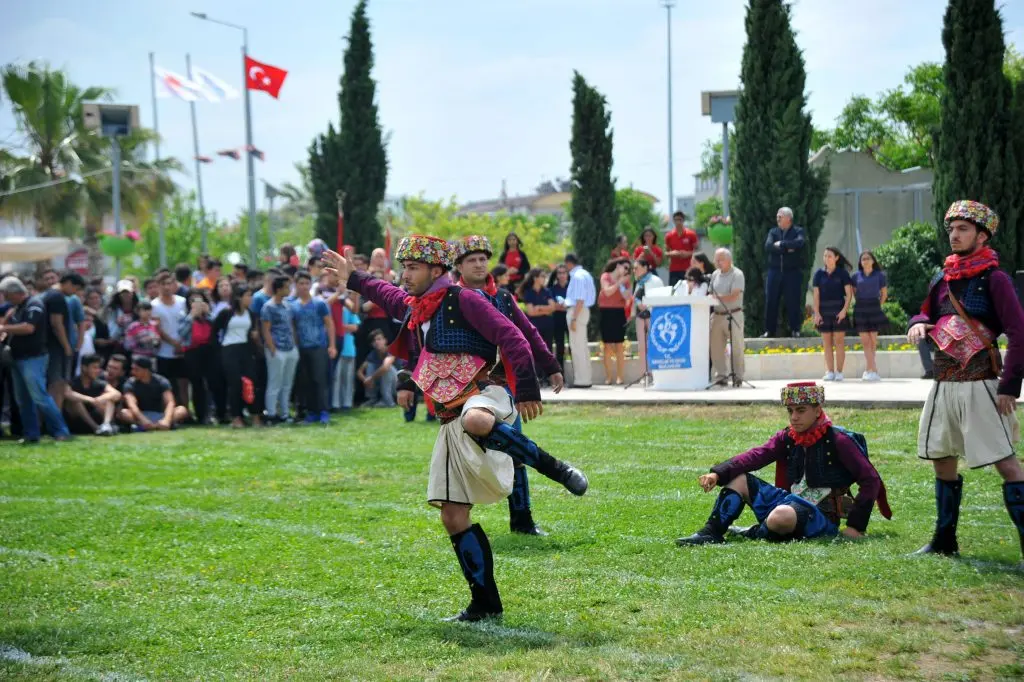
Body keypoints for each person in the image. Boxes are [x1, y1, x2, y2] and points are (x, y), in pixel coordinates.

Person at [323, 238, 587, 622]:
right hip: (448, 416)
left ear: (436, 270)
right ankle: (485, 603)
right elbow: (386, 293)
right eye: (404, 267)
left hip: (486, 395)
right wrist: (355, 279)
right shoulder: (416, 307)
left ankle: (557, 469)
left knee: (476, 419)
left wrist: (529, 388)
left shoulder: (465, 299)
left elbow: (513, 336)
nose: (405, 275)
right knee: (452, 515)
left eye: (413, 268)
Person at [907, 200, 1024, 563]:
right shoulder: (943, 277)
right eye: (951, 229)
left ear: (982, 234)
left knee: (1006, 464)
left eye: (963, 229)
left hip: (982, 385)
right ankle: (944, 541)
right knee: (942, 458)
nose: (954, 236)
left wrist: (1008, 387)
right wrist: (917, 321)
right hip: (943, 384)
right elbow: (925, 310)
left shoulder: (996, 279)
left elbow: (1019, 333)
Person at [676, 382, 890, 545]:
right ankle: (711, 532)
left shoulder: (839, 440)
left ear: (817, 410)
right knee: (739, 479)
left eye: (801, 410)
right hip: (787, 501)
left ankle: (754, 532)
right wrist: (718, 474)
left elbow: (871, 480)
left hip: (820, 516)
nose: (794, 417)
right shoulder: (788, 437)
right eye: (790, 411)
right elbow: (755, 456)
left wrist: (855, 526)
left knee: (780, 516)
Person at [455, 235, 565, 536]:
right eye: (471, 260)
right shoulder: (452, 302)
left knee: (516, 452)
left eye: (482, 259)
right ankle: (458, 522)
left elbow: (527, 333)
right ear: (459, 266)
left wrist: (551, 366)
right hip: (465, 393)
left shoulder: (503, 298)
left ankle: (522, 520)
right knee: (464, 459)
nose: (478, 264)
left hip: (503, 391)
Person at [0, 276, 71, 443]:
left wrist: (4, 327)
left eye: (7, 294)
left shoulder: (34, 304)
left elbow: (29, 327)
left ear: (16, 292)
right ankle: (31, 434)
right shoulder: (16, 308)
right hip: (17, 358)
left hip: (34, 358)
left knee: (39, 395)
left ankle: (61, 431)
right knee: (23, 399)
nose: (6, 298)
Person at [213, 282, 263, 428]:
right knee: (234, 384)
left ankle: (255, 415)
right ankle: (236, 416)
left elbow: (252, 332)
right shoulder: (227, 313)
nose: (250, 298)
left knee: (251, 382)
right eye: (248, 296)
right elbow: (215, 331)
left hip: (246, 349)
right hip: (229, 349)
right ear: (239, 297)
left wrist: (254, 337)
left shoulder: (251, 314)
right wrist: (219, 350)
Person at [289, 270, 336, 424]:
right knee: (305, 381)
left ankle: (323, 411)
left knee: (319, 380)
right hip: (301, 348)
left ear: (311, 284)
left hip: (319, 346)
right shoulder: (293, 306)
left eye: (306, 283)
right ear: (295, 285)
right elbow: (293, 328)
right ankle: (311, 412)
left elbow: (329, 324)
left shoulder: (320, 303)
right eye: (301, 283)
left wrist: (332, 345)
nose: (304, 286)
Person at [41, 271, 83, 412]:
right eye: (75, 289)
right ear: (69, 283)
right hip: (56, 347)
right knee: (57, 384)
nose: (75, 293)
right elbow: (56, 324)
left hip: (48, 346)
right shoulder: (57, 297)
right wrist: (66, 346)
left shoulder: (46, 294)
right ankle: (55, 421)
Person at [763, 206, 808, 338]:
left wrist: (781, 244)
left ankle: (795, 330)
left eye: (780, 216)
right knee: (771, 301)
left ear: (788, 218)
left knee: (793, 301)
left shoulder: (798, 231)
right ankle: (769, 331)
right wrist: (787, 248)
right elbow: (768, 246)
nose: (777, 219)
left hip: (792, 273)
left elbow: (799, 243)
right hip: (774, 271)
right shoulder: (773, 232)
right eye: (777, 216)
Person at [261, 275, 300, 423]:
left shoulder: (288, 305)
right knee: (274, 383)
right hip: (277, 350)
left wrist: (295, 345)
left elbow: (292, 327)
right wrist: (272, 349)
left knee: (287, 384)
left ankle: (284, 414)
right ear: (278, 289)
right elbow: (266, 330)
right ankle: (271, 414)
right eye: (286, 287)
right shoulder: (268, 307)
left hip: (290, 349)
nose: (289, 290)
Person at [813, 247, 854, 382]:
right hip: (824, 312)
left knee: (839, 342)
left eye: (829, 256)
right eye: (825, 256)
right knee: (826, 343)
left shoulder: (843, 273)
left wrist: (844, 311)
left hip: (839, 311)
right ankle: (829, 371)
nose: (826, 258)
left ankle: (839, 372)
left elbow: (849, 295)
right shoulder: (818, 274)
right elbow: (816, 295)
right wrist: (817, 313)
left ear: (836, 258)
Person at [118, 356, 189, 430]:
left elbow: (170, 402)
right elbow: (132, 405)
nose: (132, 372)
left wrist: (166, 420)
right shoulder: (130, 383)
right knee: (124, 413)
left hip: (161, 414)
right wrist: (143, 420)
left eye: (136, 370)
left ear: (146, 370)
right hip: (140, 415)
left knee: (182, 410)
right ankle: (149, 426)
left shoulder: (161, 381)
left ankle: (162, 425)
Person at [709, 248, 746, 388]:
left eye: (721, 260)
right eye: (716, 260)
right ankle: (721, 376)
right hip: (717, 315)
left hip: (733, 314)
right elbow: (711, 293)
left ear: (729, 260)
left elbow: (734, 295)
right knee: (716, 348)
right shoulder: (714, 275)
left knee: (737, 347)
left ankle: (738, 376)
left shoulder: (737, 274)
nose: (717, 263)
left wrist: (716, 297)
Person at [151, 273, 189, 409]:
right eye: (163, 284)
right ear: (158, 286)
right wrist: (174, 343)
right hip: (164, 351)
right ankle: (167, 411)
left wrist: (181, 343)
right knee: (165, 384)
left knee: (183, 382)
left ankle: (186, 412)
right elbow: (157, 328)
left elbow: (188, 324)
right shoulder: (154, 305)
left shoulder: (182, 302)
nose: (166, 287)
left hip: (183, 349)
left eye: (169, 283)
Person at [64, 353, 121, 436]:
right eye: (94, 367)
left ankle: (106, 425)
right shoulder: (73, 382)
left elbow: (117, 394)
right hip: (76, 420)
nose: (98, 371)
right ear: (84, 368)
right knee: (75, 401)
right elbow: (67, 393)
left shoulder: (98, 383)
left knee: (109, 399)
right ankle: (96, 428)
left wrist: (100, 399)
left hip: (95, 415)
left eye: (98, 368)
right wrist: (90, 400)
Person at [853, 251, 888, 382]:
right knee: (865, 341)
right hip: (861, 308)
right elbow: (854, 293)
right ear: (860, 262)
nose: (865, 261)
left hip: (874, 307)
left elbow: (884, 294)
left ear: (873, 261)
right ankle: (874, 370)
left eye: (868, 258)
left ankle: (869, 370)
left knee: (873, 341)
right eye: (863, 259)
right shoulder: (856, 276)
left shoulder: (880, 275)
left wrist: (877, 306)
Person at [564, 253, 597, 388]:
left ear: (569, 263)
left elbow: (580, 299)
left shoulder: (577, 276)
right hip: (582, 311)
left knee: (577, 347)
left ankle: (582, 380)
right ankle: (585, 378)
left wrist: (574, 318)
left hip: (577, 311)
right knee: (581, 346)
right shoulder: (585, 274)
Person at [518, 268, 557, 377]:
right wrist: (545, 309)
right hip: (535, 326)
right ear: (535, 278)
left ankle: (547, 376)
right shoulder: (529, 292)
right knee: (536, 350)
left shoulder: (547, 291)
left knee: (548, 350)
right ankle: (537, 376)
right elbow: (531, 312)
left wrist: (539, 308)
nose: (544, 279)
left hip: (548, 325)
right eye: (542, 276)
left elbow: (553, 307)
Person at [598, 258, 631, 385]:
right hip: (606, 312)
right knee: (607, 345)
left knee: (619, 345)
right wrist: (618, 282)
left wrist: (624, 285)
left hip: (619, 312)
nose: (627, 271)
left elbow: (628, 297)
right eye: (625, 267)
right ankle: (608, 376)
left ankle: (620, 376)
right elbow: (607, 292)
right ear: (618, 266)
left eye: (629, 269)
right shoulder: (606, 276)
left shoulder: (626, 281)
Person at [632, 256, 664, 377]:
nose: (634, 271)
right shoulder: (638, 282)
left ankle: (656, 373)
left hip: (653, 316)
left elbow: (660, 298)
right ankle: (644, 373)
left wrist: (646, 305)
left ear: (645, 268)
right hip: (641, 317)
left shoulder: (655, 281)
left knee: (654, 345)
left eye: (637, 268)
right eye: (633, 269)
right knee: (642, 346)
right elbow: (636, 298)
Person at [357, 330, 397, 407]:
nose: (377, 342)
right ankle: (372, 399)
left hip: (398, 385)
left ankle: (388, 401)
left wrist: (371, 378)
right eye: (374, 340)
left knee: (388, 368)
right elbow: (359, 371)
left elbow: (385, 367)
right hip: (380, 383)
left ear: (385, 340)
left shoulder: (391, 350)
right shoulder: (373, 354)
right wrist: (365, 380)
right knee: (370, 365)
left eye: (379, 339)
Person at [664, 211, 698, 287]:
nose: (678, 222)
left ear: (683, 220)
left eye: (680, 220)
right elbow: (665, 253)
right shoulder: (669, 236)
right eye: (676, 220)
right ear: (673, 221)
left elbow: (697, 252)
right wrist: (672, 253)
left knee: (689, 291)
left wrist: (687, 254)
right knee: (674, 291)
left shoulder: (691, 234)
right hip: (674, 269)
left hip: (689, 269)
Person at [548, 264, 571, 374]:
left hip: (571, 319)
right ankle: (562, 376)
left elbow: (574, 304)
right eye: (559, 273)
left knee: (573, 347)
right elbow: (554, 306)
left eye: (564, 272)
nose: (562, 275)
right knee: (559, 347)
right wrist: (565, 306)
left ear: (567, 274)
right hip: (558, 319)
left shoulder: (572, 287)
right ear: (556, 275)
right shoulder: (552, 289)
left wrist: (563, 306)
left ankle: (577, 375)